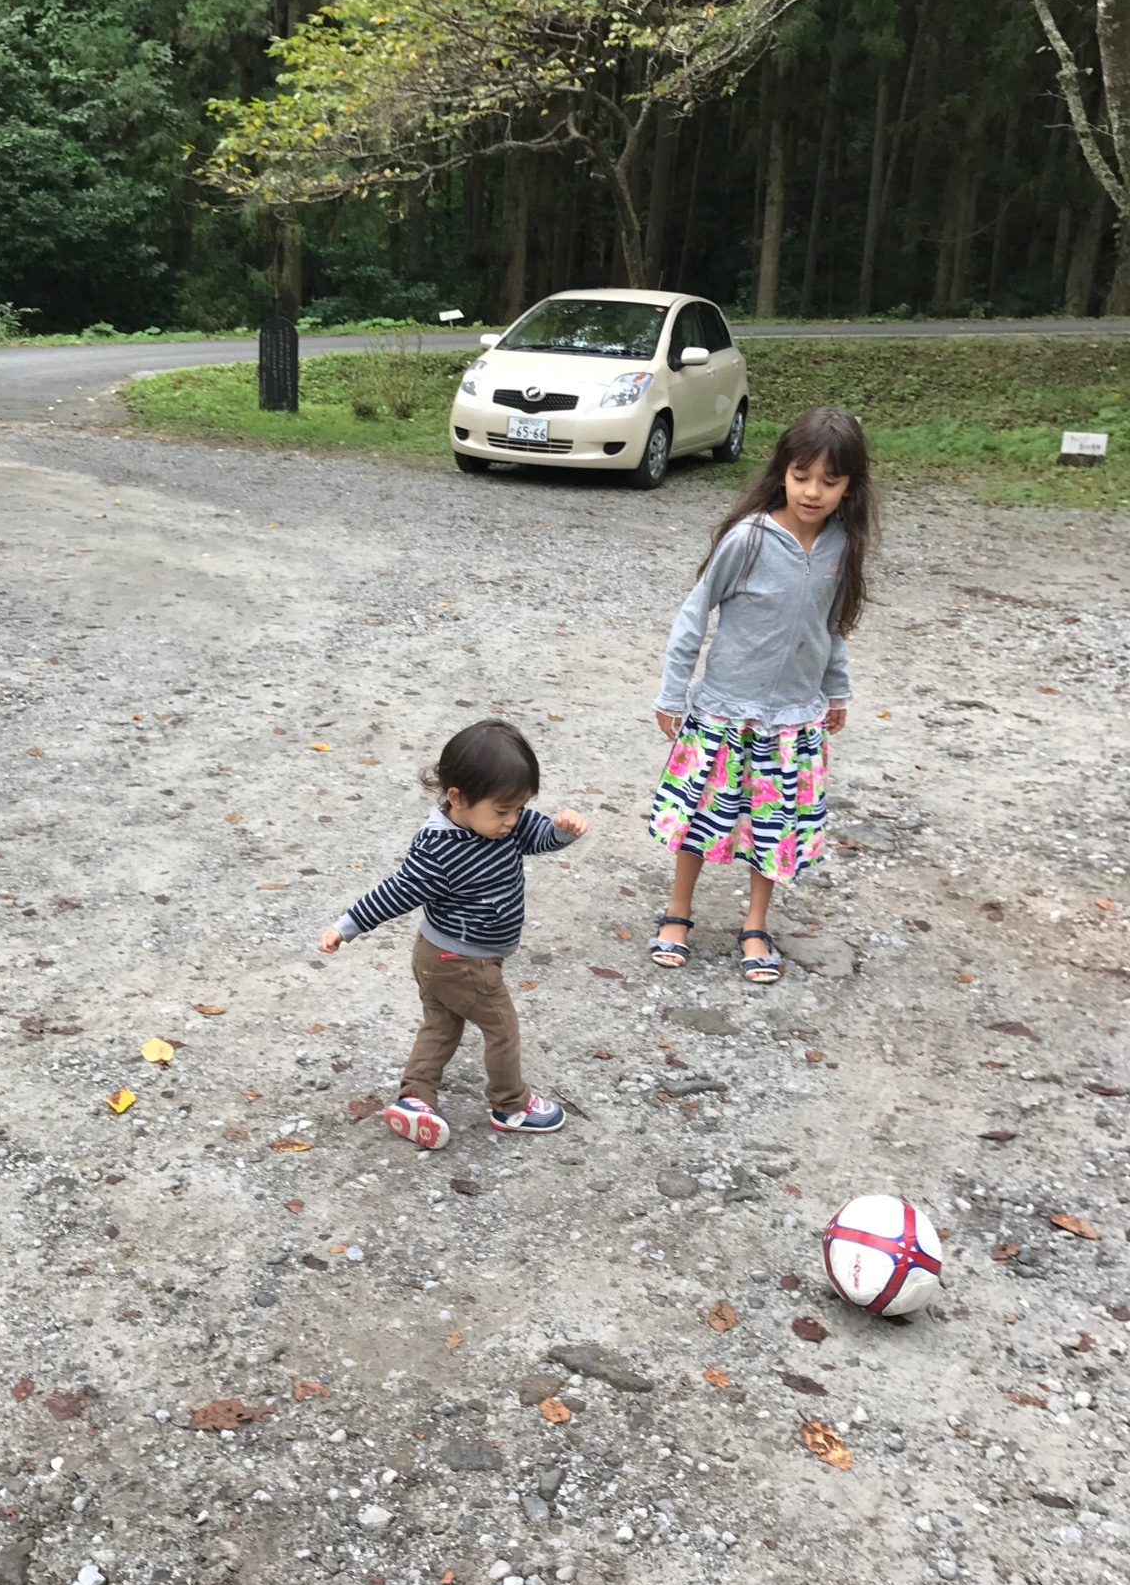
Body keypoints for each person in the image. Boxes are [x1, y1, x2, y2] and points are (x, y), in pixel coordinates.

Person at [646, 404, 878, 983]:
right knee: (700, 818)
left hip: (795, 720)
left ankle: (756, 923)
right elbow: (693, 615)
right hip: (725, 712)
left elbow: (832, 626)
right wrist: (673, 694)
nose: (812, 492)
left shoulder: (840, 546)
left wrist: (837, 693)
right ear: (782, 472)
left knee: (774, 829)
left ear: (850, 486)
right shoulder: (748, 540)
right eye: (802, 476)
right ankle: (678, 912)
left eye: (830, 481)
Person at [319, 719, 588, 1147]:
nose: (512, 821)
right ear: (458, 798)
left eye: (518, 809)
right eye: (503, 811)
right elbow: (396, 892)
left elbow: (536, 836)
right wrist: (346, 927)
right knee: (502, 1027)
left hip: (438, 956)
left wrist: (561, 831)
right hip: (461, 960)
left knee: (442, 1025)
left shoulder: (502, 823)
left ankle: (415, 1099)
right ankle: (511, 1105)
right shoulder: (439, 850)